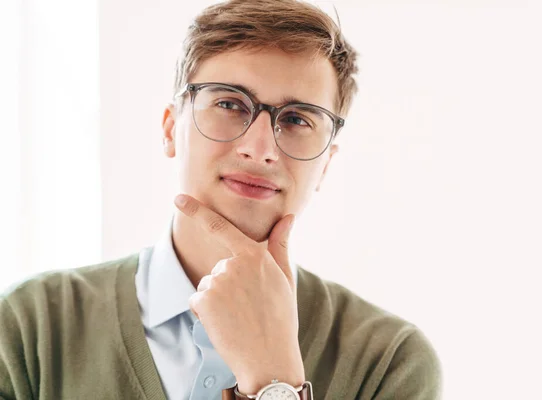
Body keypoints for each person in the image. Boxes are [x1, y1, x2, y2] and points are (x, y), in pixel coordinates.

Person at [0, 0, 442, 399]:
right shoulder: (29, 327)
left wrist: (275, 380)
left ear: (325, 164)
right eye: (230, 104)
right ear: (172, 129)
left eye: (296, 119)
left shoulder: (390, 362)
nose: (260, 147)